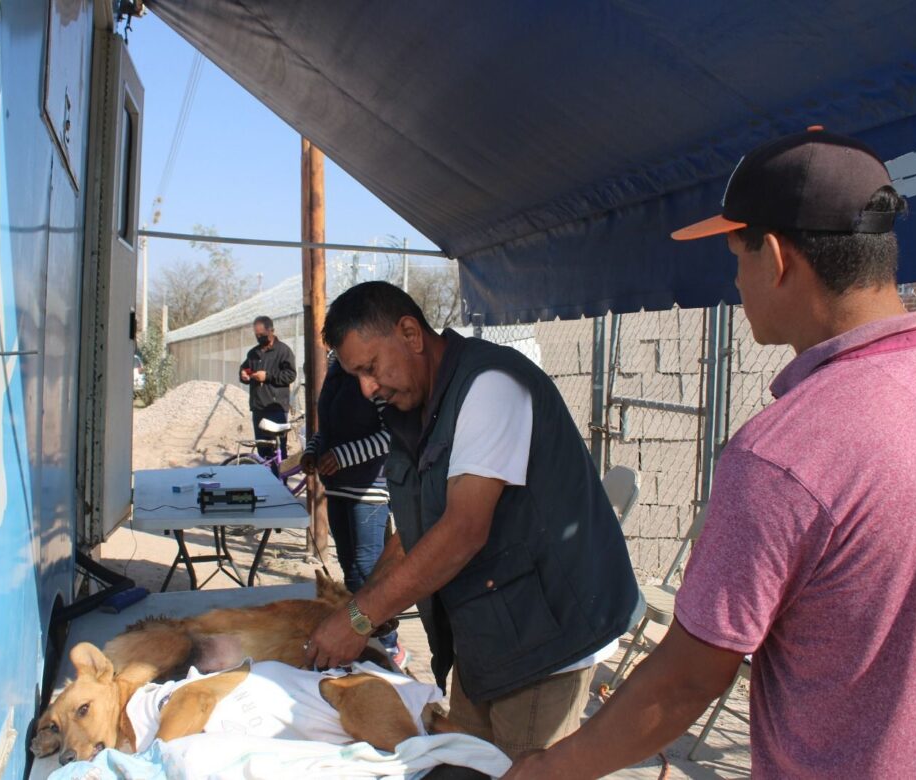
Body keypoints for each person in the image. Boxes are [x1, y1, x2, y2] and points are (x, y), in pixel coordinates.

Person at [506, 128, 916, 779]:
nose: (736, 282)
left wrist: (548, 770)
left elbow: (685, 681)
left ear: (774, 257)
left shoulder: (787, 452)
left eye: (735, 257)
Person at [304, 281, 644, 759]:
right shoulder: (418, 407)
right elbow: (416, 532)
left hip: (546, 642)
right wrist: (356, 608)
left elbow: (462, 531)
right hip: (489, 637)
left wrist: (360, 619)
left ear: (410, 333)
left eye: (371, 368)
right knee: (461, 760)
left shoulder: (489, 387)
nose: (367, 388)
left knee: (522, 767)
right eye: (357, 375)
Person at [302, 351, 406, 667]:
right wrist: (312, 450)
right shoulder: (335, 369)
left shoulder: (373, 370)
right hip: (337, 486)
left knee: (368, 571)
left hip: (369, 487)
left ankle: (389, 646)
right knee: (350, 570)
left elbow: (393, 434)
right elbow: (328, 430)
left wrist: (344, 455)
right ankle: (363, 642)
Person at [238, 316, 297, 460]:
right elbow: (245, 368)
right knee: (263, 449)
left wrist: (267, 377)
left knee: (277, 449)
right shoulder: (253, 353)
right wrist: (243, 374)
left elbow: (290, 375)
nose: (259, 338)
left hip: (275, 408)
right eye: (256, 335)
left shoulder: (283, 351)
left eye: (262, 335)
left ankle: (279, 479)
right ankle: (266, 478)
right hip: (258, 408)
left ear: (271, 331)